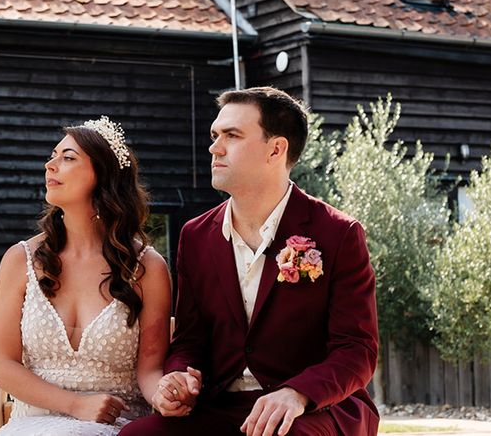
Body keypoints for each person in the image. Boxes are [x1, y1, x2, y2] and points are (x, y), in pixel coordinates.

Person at [121, 87, 379, 436]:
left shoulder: (339, 233)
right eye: (215, 135)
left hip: (313, 408)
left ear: (276, 148)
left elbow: (356, 350)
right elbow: (189, 342)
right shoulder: (196, 236)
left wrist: (297, 393)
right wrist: (180, 375)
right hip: (219, 406)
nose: (214, 147)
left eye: (232, 136)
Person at [0, 116, 172, 436]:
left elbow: (150, 372)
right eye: (53, 155)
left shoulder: (147, 268)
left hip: (115, 425)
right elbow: (2, 365)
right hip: (30, 425)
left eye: (67, 158)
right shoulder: (21, 260)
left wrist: (169, 393)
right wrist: (75, 404)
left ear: (103, 176)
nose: (51, 165)